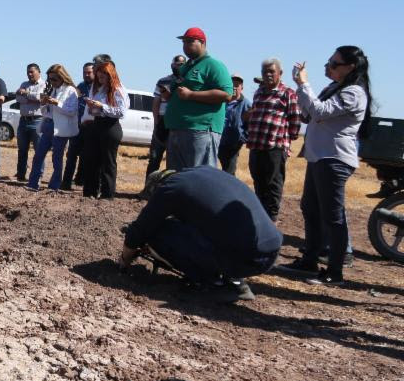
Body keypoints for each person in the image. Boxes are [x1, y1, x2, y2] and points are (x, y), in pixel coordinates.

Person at [119, 167, 283, 303]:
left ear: (157, 187)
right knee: (212, 230)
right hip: (270, 251)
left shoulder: (171, 188)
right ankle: (236, 281)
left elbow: (141, 228)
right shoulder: (203, 174)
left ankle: (212, 284)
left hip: (244, 257)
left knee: (157, 232)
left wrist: (125, 259)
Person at [283, 46, 372, 285]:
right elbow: (309, 113)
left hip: (334, 158)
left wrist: (304, 85)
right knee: (310, 208)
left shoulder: (354, 93)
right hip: (319, 156)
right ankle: (309, 260)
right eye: (329, 62)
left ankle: (334, 272)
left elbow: (320, 111)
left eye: (334, 63)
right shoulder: (333, 88)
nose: (329, 66)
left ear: (350, 67)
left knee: (332, 216)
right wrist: (302, 91)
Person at [162, 28, 232, 170]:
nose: (186, 45)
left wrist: (191, 95)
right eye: (184, 42)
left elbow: (226, 94)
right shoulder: (186, 67)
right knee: (176, 178)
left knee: (199, 178)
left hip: (200, 131)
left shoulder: (213, 65)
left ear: (202, 43)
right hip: (178, 129)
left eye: (190, 41)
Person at [243, 59, 301, 220]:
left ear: (280, 73)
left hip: (275, 147)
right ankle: (262, 217)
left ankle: (272, 218)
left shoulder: (287, 93)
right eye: (265, 72)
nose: (268, 75)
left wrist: (286, 140)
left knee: (273, 184)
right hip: (256, 145)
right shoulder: (259, 92)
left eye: (271, 71)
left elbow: (295, 120)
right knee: (258, 182)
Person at [79, 54, 129, 199]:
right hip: (97, 125)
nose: (99, 80)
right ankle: (89, 192)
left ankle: (107, 194)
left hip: (110, 127)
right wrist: (92, 107)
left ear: (109, 75)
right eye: (98, 77)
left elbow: (121, 111)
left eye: (102, 77)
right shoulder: (99, 89)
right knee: (91, 159)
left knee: (108, 162)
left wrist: (102, 107)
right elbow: (95, 109)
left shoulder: (118, 89)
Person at [27, 64, 79, 190]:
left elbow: (72, 111)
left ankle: (54, 186)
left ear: (62, 77)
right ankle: (33, 184)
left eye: (55, 79)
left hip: (60, 128)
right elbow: (46, 112)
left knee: (57, 158)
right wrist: (44, 104)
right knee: (39, 155)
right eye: (50, 79)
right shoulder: (51, 89)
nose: (52, 82)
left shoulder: (70, 91)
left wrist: (58, 103)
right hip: (48, 124)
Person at [147, 54, 187, 177]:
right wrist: (156, 122)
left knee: (173, 159)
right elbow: (156, 103)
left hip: (178, 123)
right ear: (172, 65)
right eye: (176, 64)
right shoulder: (163, 81)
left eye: (182, 64)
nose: (178, 66)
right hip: (162, 121)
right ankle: (149, 188)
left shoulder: (188, 81)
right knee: (154, 156)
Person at [60, 62, 94, 190]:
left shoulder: (98, 88)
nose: (86, 74)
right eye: (84, 72)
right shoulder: (80, 86)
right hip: (78, 126)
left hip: (91, 128)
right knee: (72, 154)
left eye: (89, 72)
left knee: (88, 156)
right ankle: (66, 182)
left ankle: (84, 181)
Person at [14, 63, 43, 181]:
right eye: (28, 72)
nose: (29, 74)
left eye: (32, 72)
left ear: (38, 72)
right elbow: (18, 99)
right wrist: (29, 97)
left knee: (39, 150)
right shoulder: (24, 84)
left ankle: (38, 176)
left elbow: (40, 98)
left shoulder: (45, 84)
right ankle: (21, 175)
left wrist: (25, 94)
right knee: (22, 150)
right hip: (24, 120)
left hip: (37, 121)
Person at [218, 76, 250, 174]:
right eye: (232, 85)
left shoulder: (246, 104)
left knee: (229, 171)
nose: (234, 88)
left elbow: (250, 125)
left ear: (242, 88)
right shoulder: (221, 101)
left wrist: (242, 138)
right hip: (218, 141)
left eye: (237, 85)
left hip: (233, 144)